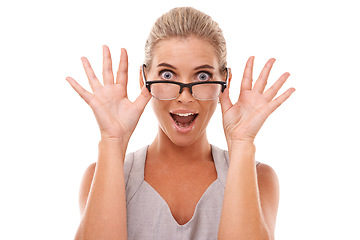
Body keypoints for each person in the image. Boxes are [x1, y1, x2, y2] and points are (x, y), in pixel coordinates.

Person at [66, 7, 295, 240]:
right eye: (167, 75)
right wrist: (112, 141)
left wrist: (242, 143)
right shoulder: (101, 174)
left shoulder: (259, 178)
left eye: (202, 76)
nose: (185, 96)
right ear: (144, 79)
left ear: (223, 80)